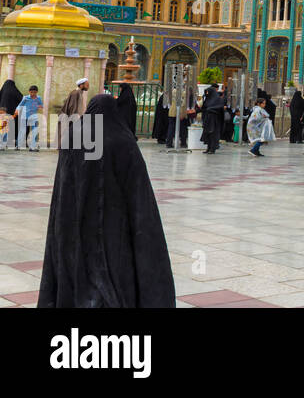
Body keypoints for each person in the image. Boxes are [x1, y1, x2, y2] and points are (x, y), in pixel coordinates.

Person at [38, 93, 175, 307]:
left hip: (74, 221)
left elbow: (63, 186)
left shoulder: (74, 135)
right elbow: (139, 194)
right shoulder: (122, 140)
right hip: (114, 225)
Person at [199, 84, 226, 154]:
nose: (207, 93)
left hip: (214, 120)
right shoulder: (208, 99)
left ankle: (212, 148)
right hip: (207, 119)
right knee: (207, 134)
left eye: (208, 92)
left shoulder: (217, 99)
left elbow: (220, 108)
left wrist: (210, 109)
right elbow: (203, 108)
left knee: (213, 134)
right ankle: (208, 147)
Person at [19, 85, 43, 150]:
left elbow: (41, 106)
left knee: (34, 131)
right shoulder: (25, 98)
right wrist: (17, 111)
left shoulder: (38, 98)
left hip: (34, 117)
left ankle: (32, 147)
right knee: (22, 131)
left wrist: (38, 106)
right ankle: (18, 146)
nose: (33, 94)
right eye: (31, 92)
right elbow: (20, 105)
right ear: (29, 92)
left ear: (37, 92)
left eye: (34, 92)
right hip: (25, 117)